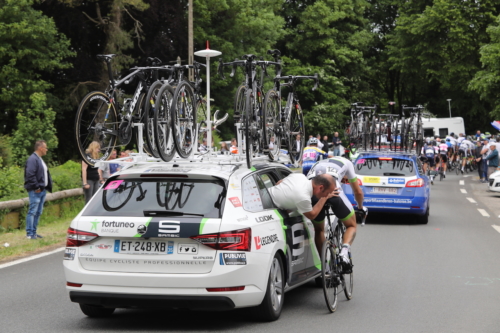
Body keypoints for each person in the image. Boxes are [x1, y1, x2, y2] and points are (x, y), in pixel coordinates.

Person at [307, 163, 365, 272]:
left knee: (319, 230)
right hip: (333, 192)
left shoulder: (317, 164)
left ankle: (325, 268)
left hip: (314, 193)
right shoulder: (347, 163)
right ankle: (344, 253)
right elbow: (357, 191)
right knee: (351, 225)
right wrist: (361, 207)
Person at [24, 140, 52, 240]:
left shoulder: (39, 159)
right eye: (46, 148)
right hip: (36, 190)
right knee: (32, 211)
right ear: (41, 148)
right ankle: (29, 233)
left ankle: (34, 232)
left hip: (42, 190)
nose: (47, 150)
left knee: (38, 212)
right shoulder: (33, 159)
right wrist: (36, 187)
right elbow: (30, 175)